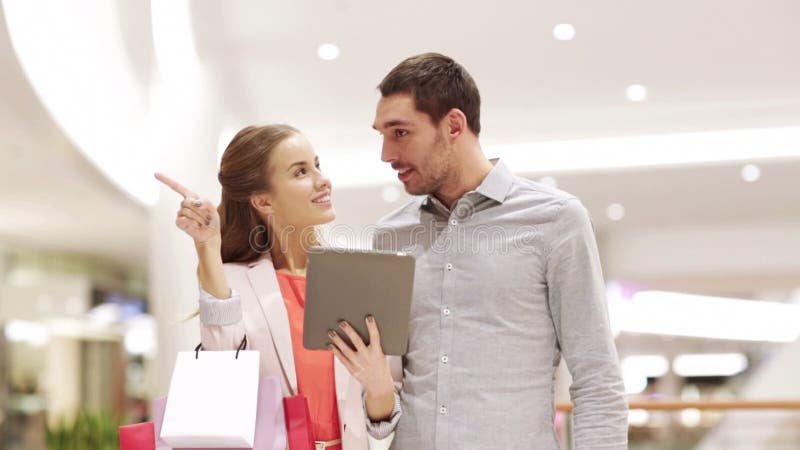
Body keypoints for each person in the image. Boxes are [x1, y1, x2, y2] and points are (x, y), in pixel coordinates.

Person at [340, 53, 629, 449]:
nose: (386, 154)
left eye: (400, 133)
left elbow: (597, 378)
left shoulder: (556, 219)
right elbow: (385, 390)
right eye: (382, 135)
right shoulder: (392, 234)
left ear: (453, 125)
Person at [155, 124, 398, 450]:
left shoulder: (356, 280)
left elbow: (382, 425)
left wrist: (381, 386)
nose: (322, 179)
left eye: (317, 165)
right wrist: (208, 246)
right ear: (263, 201)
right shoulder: (234, 281)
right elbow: (221, 364)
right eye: (300, 172)